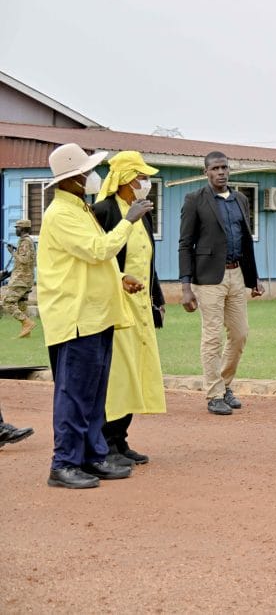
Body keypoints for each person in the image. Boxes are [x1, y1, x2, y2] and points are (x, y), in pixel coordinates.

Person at [37, 143, 153, 488]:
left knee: (93, 395)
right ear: (70, 178)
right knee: (74, 394)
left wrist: (120, 277)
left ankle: (92, 456)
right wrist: (128, 221)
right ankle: (64, 463)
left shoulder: (80, 209)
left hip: (96, 313)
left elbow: (89, 262)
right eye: (86, 172)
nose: (92, 177)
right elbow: (98, 250)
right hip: (76, 316)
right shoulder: (61, 213)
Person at [93, 151, 166, 465]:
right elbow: (98, 258)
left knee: (136, 370)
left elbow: (147, 259)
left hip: (140, 305)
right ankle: (105, 442)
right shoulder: (104, 210)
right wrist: (121, 279)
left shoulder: (142, 211)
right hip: (116, 305)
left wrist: (157, 298)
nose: (145, 183)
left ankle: (121, 439)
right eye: (141, 177)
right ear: (124, 179)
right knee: (117, 375)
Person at [178, 151, 264, 415]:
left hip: (236, 274)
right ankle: (214, 394)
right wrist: (185, 287)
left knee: (240, 334)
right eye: (215, 168)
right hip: (208, 280)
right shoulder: (195, 200)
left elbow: (245, 240)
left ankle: (225, 384)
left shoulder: (240, 199)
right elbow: (185, 244)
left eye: (224, 167)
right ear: (206, 172)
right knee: (212, 336)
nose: (221, 172)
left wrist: (253, 278)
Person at [2, 218, 37, 338]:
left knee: (8, 302)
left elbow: (24, 260)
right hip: (25, 277)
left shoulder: (25, 242)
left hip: (21, 279)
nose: (15, 230)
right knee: (21, 303)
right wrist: (9, 273)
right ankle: (26, 332)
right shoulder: (26, 241)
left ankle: (27, 323)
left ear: (22, 229)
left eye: (17, 228)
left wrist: (12, 252)